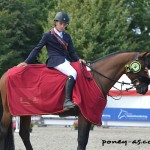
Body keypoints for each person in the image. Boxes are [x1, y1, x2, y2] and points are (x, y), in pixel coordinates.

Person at [17, 12, 86, 110]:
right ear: (55, 22)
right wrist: (27, 62)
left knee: (80, 70)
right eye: (60, 23)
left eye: (65, 24)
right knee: (73, 73)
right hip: (55, 60)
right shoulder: (48, 35)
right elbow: (37, 48)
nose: (62, 26)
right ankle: (66, 101)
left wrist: (78, 59)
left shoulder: (67, 36)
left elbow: (72, 52)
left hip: (66, 60)